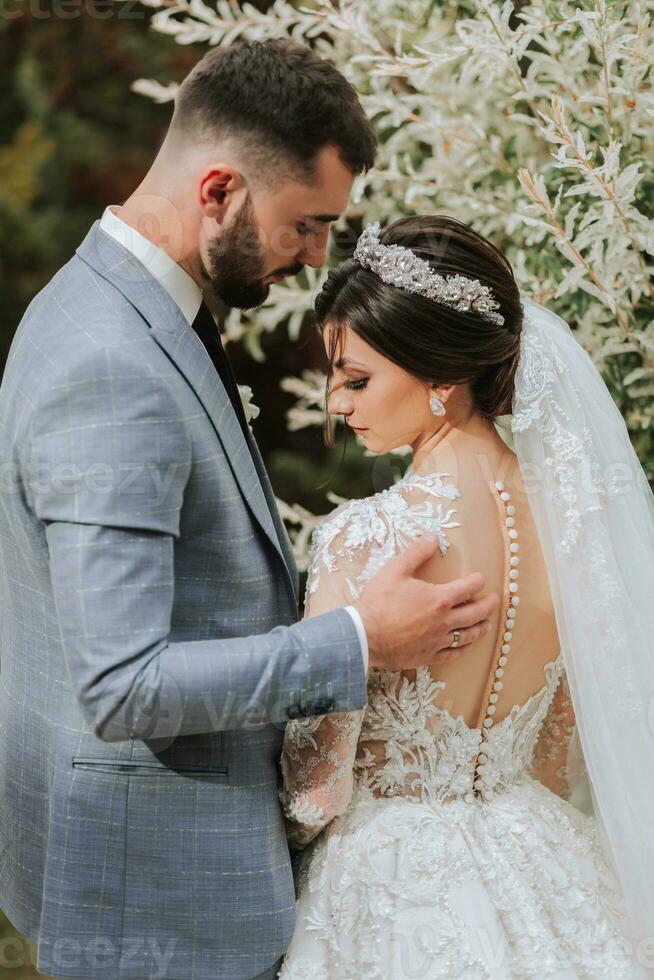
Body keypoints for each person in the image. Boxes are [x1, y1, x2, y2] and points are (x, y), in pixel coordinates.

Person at [0, 41, 498, 980]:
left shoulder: (100, 303)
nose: (316, 260)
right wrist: (358, 640)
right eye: (307, 226)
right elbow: (122, 687)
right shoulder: (112, 364)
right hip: (158, 899)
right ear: (220, 188)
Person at [278, 215, 654, 978]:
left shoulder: (365, 539)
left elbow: (315, 790)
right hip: (544, 860)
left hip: (389, 885)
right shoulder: (573, 527)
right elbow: (558, 753)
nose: (337, 404)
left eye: (356, 378)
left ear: (439, 378)